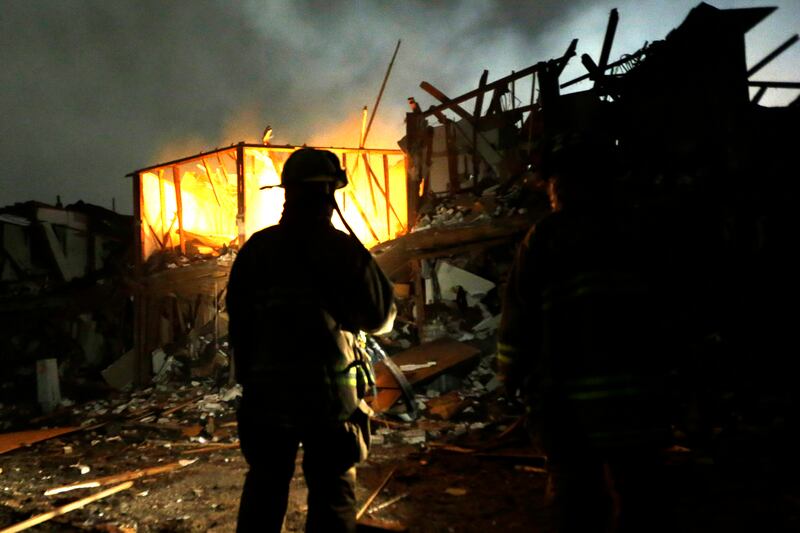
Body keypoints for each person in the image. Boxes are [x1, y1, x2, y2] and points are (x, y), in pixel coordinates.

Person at [497, 135, 674, 532]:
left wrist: (511, 375)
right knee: (641, 498)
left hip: (568, 405)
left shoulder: (546, 237)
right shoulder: (641, 230)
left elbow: (517, 319)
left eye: (556, 184)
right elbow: (674, 310)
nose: (552, 193)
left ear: (569, 184)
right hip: (640, 400)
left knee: (576, 502)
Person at [226, 148, 396, 533]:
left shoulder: (256, 250)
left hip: (266, 398)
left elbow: (238, 324)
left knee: (265, 487)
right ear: (328, 193)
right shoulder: (342, 250)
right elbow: (381, 318)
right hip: (330, 400)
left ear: (288, 193)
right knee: (333, 492)